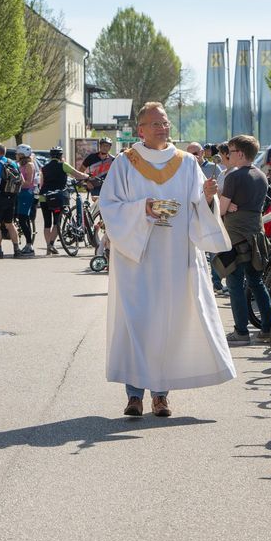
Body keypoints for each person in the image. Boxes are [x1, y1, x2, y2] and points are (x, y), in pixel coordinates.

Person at [99, 102, 235, 418]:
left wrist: (209, 197)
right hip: (138, 258)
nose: (163, 127)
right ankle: (134, 395)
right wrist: (142, 209)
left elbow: (197, 207)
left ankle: (161, 395)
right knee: (137, 323)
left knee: (168, 324)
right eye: (156, 123)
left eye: (166, 122)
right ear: (141, 130)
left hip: (175, 255)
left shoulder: (186, 163)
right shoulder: (125, 163)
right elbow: (109, 206)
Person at [214, 135, 271, 346]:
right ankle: (268, 328)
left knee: (235, 283)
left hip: (236, 237)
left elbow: (220, 209)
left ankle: (241, 332)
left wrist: (225, 204)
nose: (228, 155)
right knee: (257, 282)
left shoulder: (234, 176)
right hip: (256, 235)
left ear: (240, 153)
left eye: (230, 151)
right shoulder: (261, 175)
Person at [38, 147, 88, 254]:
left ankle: (48, 247)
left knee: (47, 223)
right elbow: (77, 174)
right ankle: (51, 244)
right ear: (61, 156)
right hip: (57, 198)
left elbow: (41, 183)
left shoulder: (44, 167)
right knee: (57, 222)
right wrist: (87, 176)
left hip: (44, 197)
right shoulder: (63, 165)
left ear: (51, 156)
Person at [14, 144, 38, 255]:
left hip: (26, 193)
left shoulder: (29, 165)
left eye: (18, 154)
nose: (16, 156)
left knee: (23, 219)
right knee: (23, 218)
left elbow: (28, 182)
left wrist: (19, 181)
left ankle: (29, 244)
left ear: (22, 155)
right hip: (21, 193)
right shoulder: (20, 165)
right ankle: (28, 243)